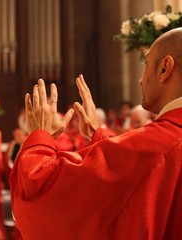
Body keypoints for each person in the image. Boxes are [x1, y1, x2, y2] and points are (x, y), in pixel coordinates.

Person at [10, 28, 182, 239]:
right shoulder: (162, 143)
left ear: (165, 68)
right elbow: (140, 176)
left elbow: (41, 193)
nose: (140, 79)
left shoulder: (156, 145)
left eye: (145, 64)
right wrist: (98, 135)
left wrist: (39, 136)